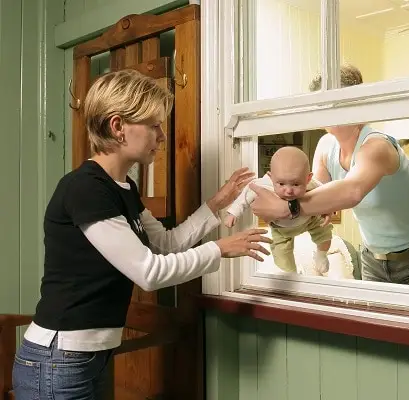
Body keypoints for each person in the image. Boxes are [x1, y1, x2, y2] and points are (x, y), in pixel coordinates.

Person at [12, 69, 271, 399]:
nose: (162, 136)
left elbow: (165, 244)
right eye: (154, 125)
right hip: (59, 361)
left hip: (88, 357)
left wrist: (216, 205)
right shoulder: (85, 189)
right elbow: (149, 272)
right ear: (118, 127)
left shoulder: (124, 188)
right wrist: (219, 250)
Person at [249, 64, 409, 288]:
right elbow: (317, 199)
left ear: (356, 102)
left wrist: (286, 209)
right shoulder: (326, 147)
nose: (327, 109)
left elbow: (351, 191)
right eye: (322, 103)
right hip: (372, 261)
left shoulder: (377, 146)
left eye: (336, 101)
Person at [225, 146, 333, 275]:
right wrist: (233, 212)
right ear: (271, 177)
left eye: (296, 184)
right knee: (281, 253)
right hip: (281, 229)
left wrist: (328, 209)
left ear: (308, 179)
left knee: (325, 232)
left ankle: (321, 255)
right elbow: (247, 192)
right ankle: (291, 274)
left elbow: (326, 193)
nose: (288, 190)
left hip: (310, 220)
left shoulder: (313, 184)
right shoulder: (264, 185)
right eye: (281, 184)